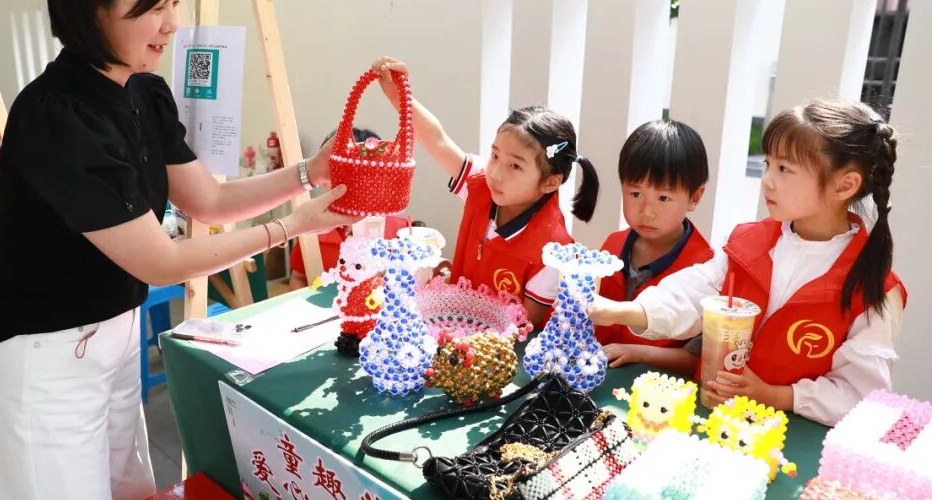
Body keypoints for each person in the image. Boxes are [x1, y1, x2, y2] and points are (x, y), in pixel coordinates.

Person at [0, 0, 356, 500]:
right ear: (91, 5)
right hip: (47, 359)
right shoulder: (56, 114)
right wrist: (289, 229)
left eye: (174, 1)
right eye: (153, 5)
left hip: (116, 338)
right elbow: (161, 261)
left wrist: (308, 172)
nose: (171, 23)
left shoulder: (144, 94)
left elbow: (206, 198)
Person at [589, 99, 905, 426]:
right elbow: (694, 291)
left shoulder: (874, 289)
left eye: (784, 169)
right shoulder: (747, 243)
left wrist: (776, 395)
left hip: (789, 437)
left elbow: (861, 395)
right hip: (708, 420)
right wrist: (623, 311)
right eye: (768, 164)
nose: (767, 180)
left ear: (844, 185)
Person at [371, 56, 599, 330]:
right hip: (449, 329)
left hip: (497, 350)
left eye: (515, 166)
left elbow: (526, 327)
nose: (496, 173)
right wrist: (398, 96)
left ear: (550, 182)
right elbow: (438, 140)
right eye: (495, 155)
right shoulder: (481, 185)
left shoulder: (553, 250)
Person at [596, 120, 714, 377]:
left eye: (663, 198)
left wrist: (637, 353)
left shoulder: (705, 270)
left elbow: (697, 359)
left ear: (694, 197)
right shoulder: (613, 244)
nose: (647, 212)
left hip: (658, 389)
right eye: (635, 194)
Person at [287, 127, 411, 290]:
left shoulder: (401, 232)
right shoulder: (312, 232)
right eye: (337, 173)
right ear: (324, 181)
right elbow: (298, 278)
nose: (353, 185)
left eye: (364, 174)